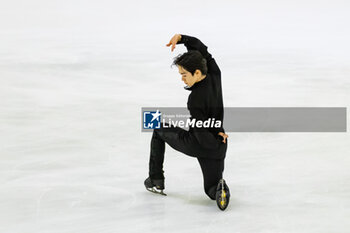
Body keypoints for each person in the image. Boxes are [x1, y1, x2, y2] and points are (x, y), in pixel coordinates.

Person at [144, 34, 230, 210]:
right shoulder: (214, 73)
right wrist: (182, 38)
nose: (182, 78)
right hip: (219, 143)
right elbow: (202, 52)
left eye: (184, 74)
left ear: (197, 73)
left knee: (157, 128)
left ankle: (155, 180)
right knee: (211, 188)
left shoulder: (195, 99)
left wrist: (212, 144)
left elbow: (199, 132)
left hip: (200, 143)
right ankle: (221, 190)